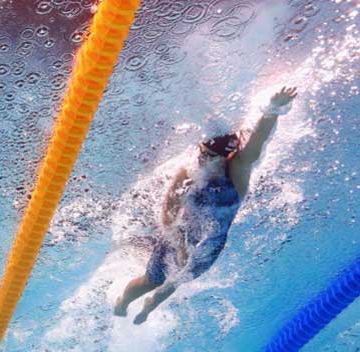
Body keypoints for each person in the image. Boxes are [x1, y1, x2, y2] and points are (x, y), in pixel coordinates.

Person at [114, 86, 298, 325]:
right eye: (201, 153)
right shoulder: (187, 173)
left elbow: (255, 146)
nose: (201, 159)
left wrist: (272, 111)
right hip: (177, 235)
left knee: (177, 280)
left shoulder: (236, 173)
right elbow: (167, 216)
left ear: (224, 157)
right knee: (152, 279)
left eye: (208, 156)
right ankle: (124, 301)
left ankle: (152, 305)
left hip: (210, 244)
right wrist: (179, 245)